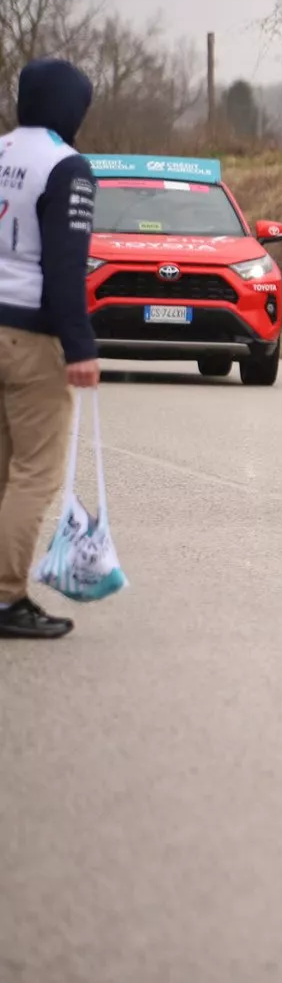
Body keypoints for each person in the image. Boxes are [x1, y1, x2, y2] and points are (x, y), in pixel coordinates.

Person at [0, 58, 99, 640]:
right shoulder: (67, 166)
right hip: (32, 338)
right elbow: (64, 265)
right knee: (34, 474)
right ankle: (6, 597)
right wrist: (80, 346)